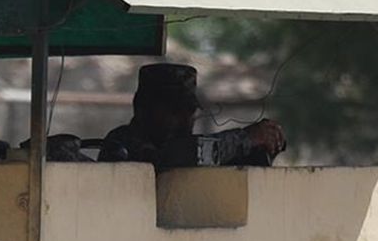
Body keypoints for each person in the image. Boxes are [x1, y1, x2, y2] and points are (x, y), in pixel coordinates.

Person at [99, 63, 286, 167]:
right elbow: (174, 157)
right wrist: (245, 139)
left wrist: (261, 148)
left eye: (189, 110)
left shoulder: (181, 145)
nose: (185, 119)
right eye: (174, 111)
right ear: (143, 108)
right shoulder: (122, 142)